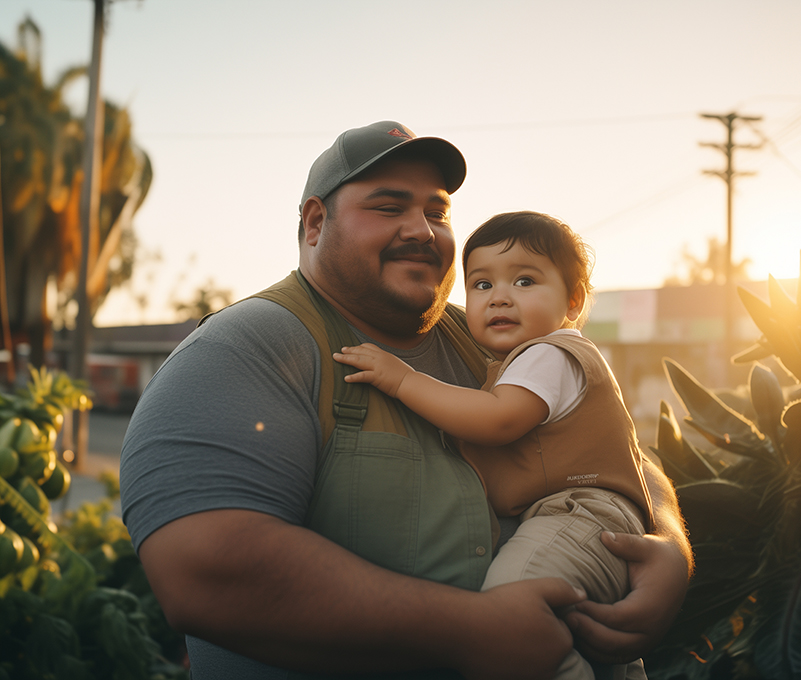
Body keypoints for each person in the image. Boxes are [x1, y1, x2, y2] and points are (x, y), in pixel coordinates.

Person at [119, 121, 692, 680]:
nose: (422, 230)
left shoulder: (495, 340)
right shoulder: (249, 346)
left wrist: (666, 548)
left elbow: (613, 450)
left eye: (436, 212)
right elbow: (204, 567)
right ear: (316, 223)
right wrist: (475, 631)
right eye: (389, 208)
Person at [333, 210, 657, 679]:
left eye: (525, 281)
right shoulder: (521, 360)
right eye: (481, 285)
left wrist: (403, 381)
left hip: (581, 515)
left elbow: (497, 420)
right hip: (585, 521)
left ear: (573, 300)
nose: (500, 297)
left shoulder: (549, 353)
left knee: (511, 613)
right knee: (604, 652)